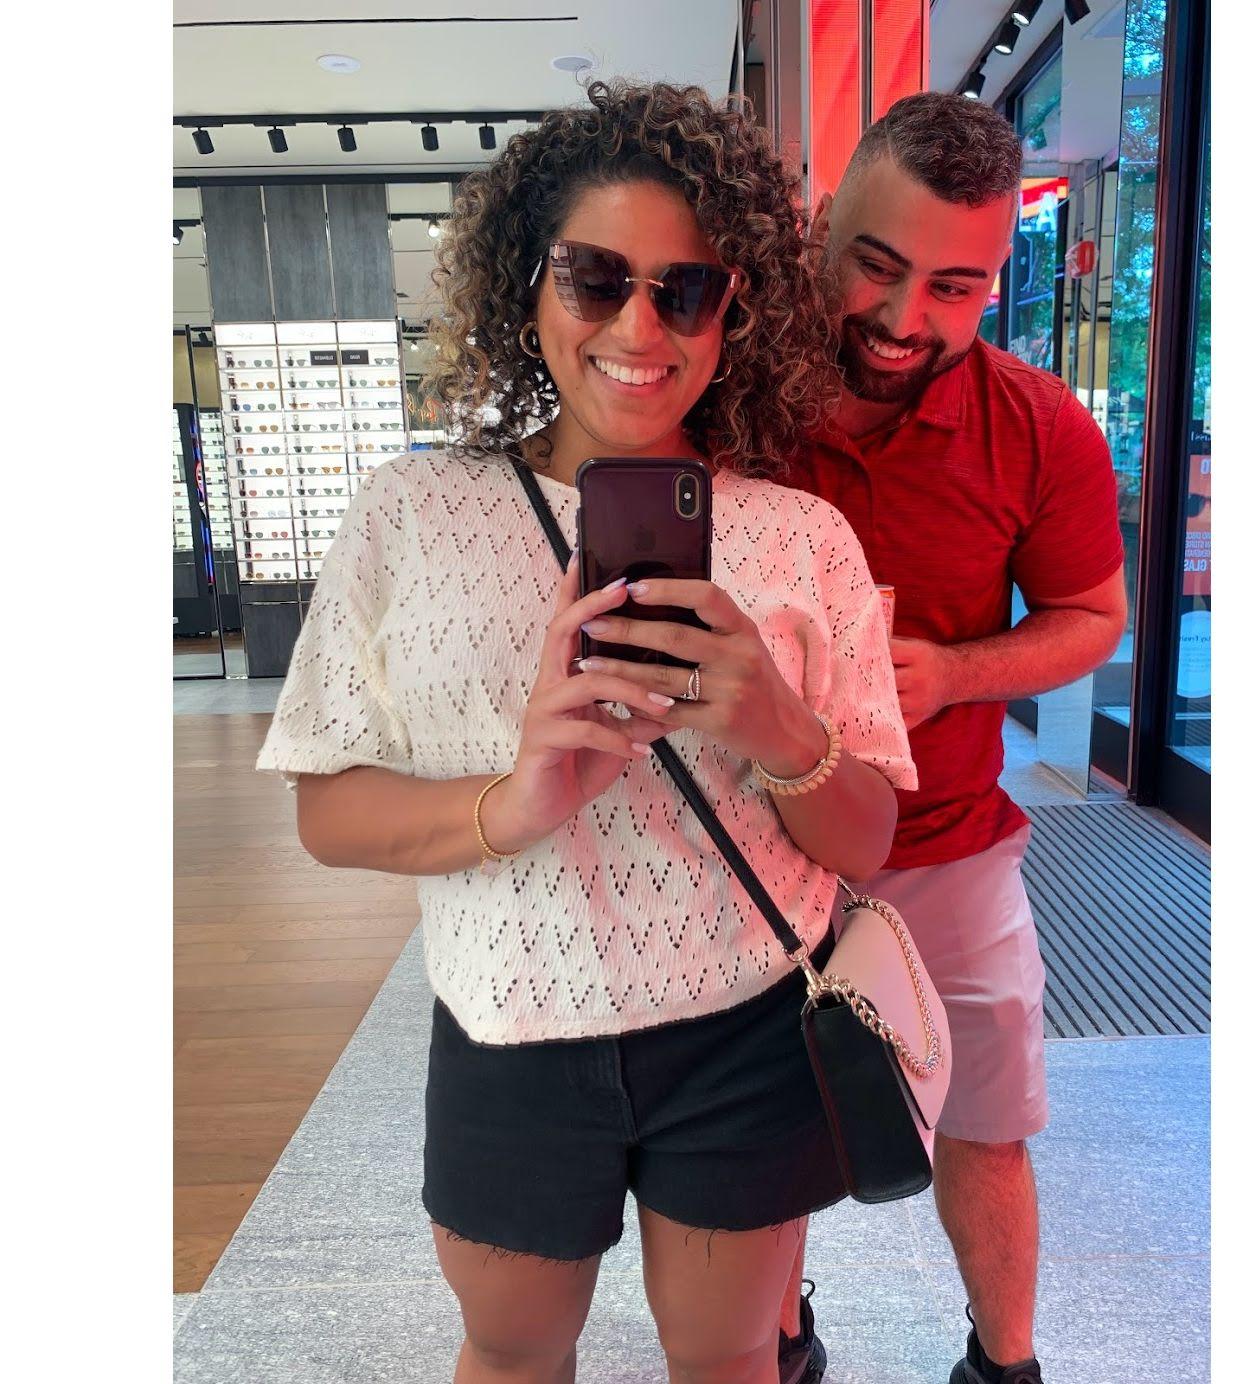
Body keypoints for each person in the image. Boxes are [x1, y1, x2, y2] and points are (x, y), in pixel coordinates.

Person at [256, 81, 917, 1384]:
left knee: (728, 1356)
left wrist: (779, 725)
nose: (638, 327)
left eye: (686, 290)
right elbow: (325, 811)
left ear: (736, 312)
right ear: (529, 289)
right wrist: (514, 801)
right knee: (512, 1351)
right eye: (594, 279)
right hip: (508, 1017)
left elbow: (871, 840)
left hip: (746, 1019)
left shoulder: (804, 539)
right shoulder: (410, 515)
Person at [777, 93, 1127, 1384]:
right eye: (875, 264)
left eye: (955, 287)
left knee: (986, 1120)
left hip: (949, 842)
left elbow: (1095, 615)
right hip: (747, 850)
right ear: (824, 227)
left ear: (995, 281)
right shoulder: (729, 396)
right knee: (750, 1133)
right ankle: (775, 1340)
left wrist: (960, 673)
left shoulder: (1039, 428)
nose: (903, 315)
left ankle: (1005, 1364)